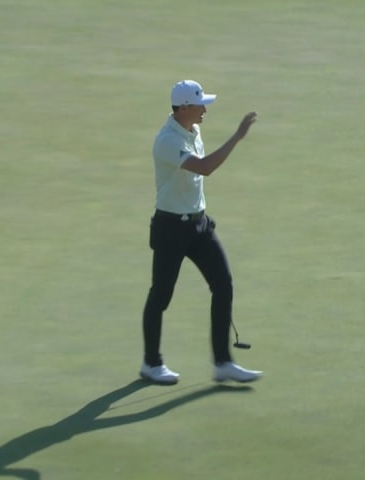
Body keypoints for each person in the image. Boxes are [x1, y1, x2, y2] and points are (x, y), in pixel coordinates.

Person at [139, 80, 262, 385]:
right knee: (161, 295)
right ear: (183, 108)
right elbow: (205, 167)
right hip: (170, 228)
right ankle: (150, 363)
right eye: (200, 104)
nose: (205, 109)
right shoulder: (167, 141)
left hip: (199, 224)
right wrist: (237, 137)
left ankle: (223, 362)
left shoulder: (193, 130)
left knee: (223, 283)